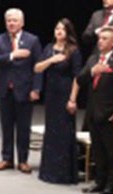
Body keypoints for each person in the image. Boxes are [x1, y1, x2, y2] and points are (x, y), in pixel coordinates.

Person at [71, 27, 113, 194]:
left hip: (110, 114)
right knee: (97, 151)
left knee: (111, 152)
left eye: (105, 39)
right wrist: (92, 72)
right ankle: (99, 181)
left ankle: (111, 185)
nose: (100, 41)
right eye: (99, 38)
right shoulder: (93, 59)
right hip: (93, 113)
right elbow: (80, 79)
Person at [0, 8, 42, 174]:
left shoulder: (32, 40)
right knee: (6, 126)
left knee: (23, 127)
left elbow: (38, 67)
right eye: (9, 21)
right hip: (4, 90)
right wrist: (13, 55)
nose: (11, 23)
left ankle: (24, 160)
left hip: (25, 90)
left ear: (22, 22)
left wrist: (36, 88)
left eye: (15, 20)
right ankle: (7, 158)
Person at [34, 18, 82, 184]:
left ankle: (64, 174)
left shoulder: (73, 51)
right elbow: (37, 68)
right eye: (57, 29)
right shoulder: (49, 48)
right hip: (51, 95)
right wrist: (51, 61)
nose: (59, 31)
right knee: (51, 133)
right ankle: (49, 172)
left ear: (68, 32)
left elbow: (77, 77)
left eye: (63, 29)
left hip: (65, 94)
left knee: (64, 134)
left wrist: (72, 99)